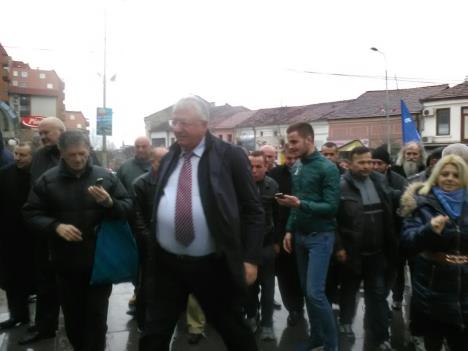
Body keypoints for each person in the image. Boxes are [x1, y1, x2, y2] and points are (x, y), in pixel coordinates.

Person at [139, 96, 264, 351]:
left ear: (204, 124)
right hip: (167, 264)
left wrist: (250, 258)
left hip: (211, 264)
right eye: (174, 122)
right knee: (154, 332)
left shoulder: (230, 156)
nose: (176, 128)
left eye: (184, 123)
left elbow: (253, 211)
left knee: (233, 329)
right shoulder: (172, 154)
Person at [23, 130, 132, 351]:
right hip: (66, 262)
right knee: (73, 318)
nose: (78, 159)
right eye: (71, 154)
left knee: (97, 317)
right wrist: (56, 226)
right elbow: (30, 213)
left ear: (89, 150)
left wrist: (110, 203)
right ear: (62, 153)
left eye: (82, 153)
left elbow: (128, 206)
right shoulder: (48, 179)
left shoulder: (106, 176)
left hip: (99, 261)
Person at [278, 122, 340, 351]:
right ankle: (316, 339)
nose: (290, 147)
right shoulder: (297, 168)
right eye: (288, 142)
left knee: (315, 293)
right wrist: (288, 230)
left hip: (321, 237)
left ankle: (332, 346)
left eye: (294, 142)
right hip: (301, 237)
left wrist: (301, 204)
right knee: (307, 291)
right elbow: (296, 204)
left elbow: (332, 207)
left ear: (309, 139)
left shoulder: (328, 168)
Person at [400, 154, 468, 350]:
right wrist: (428, 231)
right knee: (433, 341)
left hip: (464, 288)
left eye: (456, 175)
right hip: (433, 287)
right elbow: (407, 242)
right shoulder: (422, 204)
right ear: (436, 176)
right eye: (444, 174)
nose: (450, 178)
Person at [335, 147, 397, 350]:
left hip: (377, 252)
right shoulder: (340, 186)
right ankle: (345, 321)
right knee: (349, 290)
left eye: (369, 162)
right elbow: (332, 221)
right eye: (361, 162)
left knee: (377, 294)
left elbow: (390, 212)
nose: (367, 166)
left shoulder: (380, 182)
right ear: (350, 164)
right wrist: (339, 247)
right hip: (352, 252)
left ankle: (380, 336)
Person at [19, 116, 67, 345]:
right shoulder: (38, 157)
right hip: (43, 230)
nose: (42, 136)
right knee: (45, 284)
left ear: (61, 132)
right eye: (40, 133)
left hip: (72, 231)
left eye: (46, 132)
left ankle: (76, 325)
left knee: (73, 283)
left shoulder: (77, 151)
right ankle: (44, 327)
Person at [244, 151, 279, 341]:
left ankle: (267, 323)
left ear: (266, 167)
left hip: (266, 245)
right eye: (251, 166)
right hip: (247, 247)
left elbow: (279, 216)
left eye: (259, 166)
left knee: (268, 288)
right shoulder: (239, 185)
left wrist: (276, 242)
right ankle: (251, 316)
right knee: (249, 286)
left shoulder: (272, 186)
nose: (254, 170)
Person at [269, 144, 304, 327]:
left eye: (293, 158)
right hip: (281, 232)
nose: (290, 162)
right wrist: (275, 238)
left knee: (302, 273)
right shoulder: (274, 175)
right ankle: (293, 309)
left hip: (303, 231)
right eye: (287, 158)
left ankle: (303, 304)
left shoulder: (307, 174)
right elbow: (270, 210)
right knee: (285, 275)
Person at [0, 143, 35, 329]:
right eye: (16, 153)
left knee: (34, 278)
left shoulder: (38, 174)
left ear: (32, 156)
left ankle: (42, 322)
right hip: (9, 237)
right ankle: (17, 315)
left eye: (23, 155)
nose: (18, 158)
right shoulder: (4, 174)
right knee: (12, 280)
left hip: (33, 236)